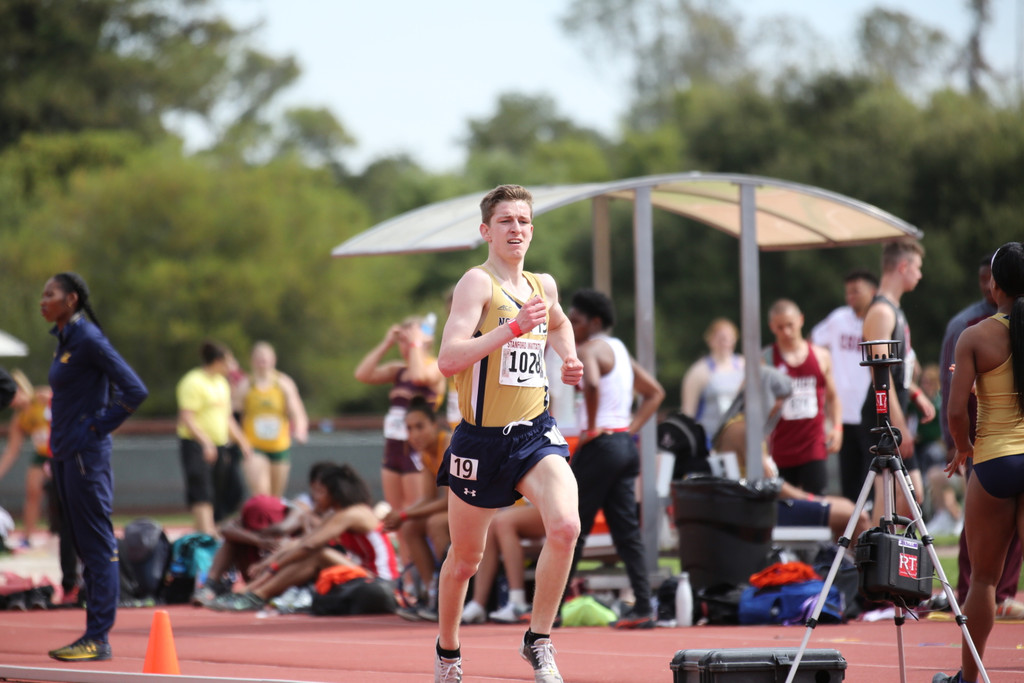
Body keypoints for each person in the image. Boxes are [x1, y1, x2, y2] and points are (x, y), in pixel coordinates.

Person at [433, 184, 583, 683]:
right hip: (481, 441)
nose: (516, 229)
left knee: (565, 527)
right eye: (506, 222)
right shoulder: (476, 284)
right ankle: (448, 652)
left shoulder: (543, 285)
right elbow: (448, 359)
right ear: (486, 231)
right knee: (464, 561)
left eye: (523, 221)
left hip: (535, 435)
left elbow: (558, 324)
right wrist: (512, 330)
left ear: (532, 230)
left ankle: (538, 639)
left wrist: (570, 357)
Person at [40, 272, 148, 662]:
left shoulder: (88, 339)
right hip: (66, 455)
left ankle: (98, 637)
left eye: (49, 294)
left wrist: (95, 427)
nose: (42, 301)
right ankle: (92, 634)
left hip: (86, 456)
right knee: (84, 546)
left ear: (71, 300)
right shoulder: (66, 340)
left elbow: (134, 389)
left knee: (97, 546)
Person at [936, 242, 1024, 683]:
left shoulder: (975, 335)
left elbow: (955, 411)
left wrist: (963, 448)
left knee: (984, 580)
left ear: (994, 284)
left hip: (994, 461)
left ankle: (969, 679)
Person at [564, 288, 665, 629]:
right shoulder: (620, 349)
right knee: (626, 532)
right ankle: (644, 607)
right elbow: (655, 393)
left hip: (601, 445)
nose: (572, 326)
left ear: (594, 322)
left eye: (576, 321)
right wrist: (630, 428)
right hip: (623, 445)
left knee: (570, 525)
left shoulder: (589, 349)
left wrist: (592, 428)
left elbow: (590, 383)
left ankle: (549, 608)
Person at [209, 463, 398, 611]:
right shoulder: (337, 515)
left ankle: (256, 595)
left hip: (381, 581)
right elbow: (301, 542)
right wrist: (268, 564)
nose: (315, 497)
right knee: (310, 553)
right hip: (363, 577)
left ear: (335, 493)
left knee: (318, 554)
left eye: (320, 492)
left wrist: (272, 567)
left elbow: (310, 546)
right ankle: (252, 593)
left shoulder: (353, 513)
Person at [354, 314, 446, 562]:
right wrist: (386, 343)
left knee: (413, 516)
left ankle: (421, 574)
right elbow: (363, 374)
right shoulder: (398, 370)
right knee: (397, 518)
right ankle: (405, 578)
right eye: (402, 340)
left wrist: (417, 342)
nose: (404, 346)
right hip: (394, 449)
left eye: (409, 339)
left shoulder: (434, 365)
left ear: (426, 340)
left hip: (418, 451)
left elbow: (419, 377)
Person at [860, 240, 932, 522]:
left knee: (910, 496)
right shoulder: (882, 312)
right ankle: (875, 559)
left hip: (895, 408)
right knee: (888, 493)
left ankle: (886, 556)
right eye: (918, 267)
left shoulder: (893, 309)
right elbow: (879, 374)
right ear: (903, 266)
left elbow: (898, 368)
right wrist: (898, 421)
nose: (920, 274)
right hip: (883, 414)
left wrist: (914, 393)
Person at [810, 269, 879, 501]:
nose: (850, 296)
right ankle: (853, 532)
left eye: (856, 291)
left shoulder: (880, 318)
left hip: (870, 411)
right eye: (847, 292)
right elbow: (814, 344)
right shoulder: (838, 318)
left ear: (872, 291)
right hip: (844, 412)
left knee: (871, 478)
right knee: (848, 481)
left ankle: (872, 529)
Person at [382, 397, 451, 619]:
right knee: (410, 526)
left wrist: (403, 513)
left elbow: (449, 500)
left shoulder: (448, 444)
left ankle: (447, 596)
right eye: (409, 429)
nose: (414, 434)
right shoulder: (426, 453)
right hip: (456, 509)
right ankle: (431, 593)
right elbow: (428, 497)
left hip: (482, 507)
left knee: (435, 522)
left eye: (420, 427)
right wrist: (403, 515)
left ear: (435, 425)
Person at [766, 299, 842, 496]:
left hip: (813, 445)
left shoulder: (820, 356)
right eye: (780, 327)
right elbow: (752, 406)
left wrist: (837, 427)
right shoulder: (765, 360)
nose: (786, 332)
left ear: (800, 320)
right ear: (772, 327)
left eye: (790, 325)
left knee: (818, 506)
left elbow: (833, 397)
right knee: (783, 511)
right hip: (780, 449)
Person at [177, 340, 254, 536]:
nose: (232, 366)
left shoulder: (222, 383)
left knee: (226, 490)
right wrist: (205, 442)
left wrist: (243, 441)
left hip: (220, 446)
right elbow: (187, 417)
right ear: (218, 361)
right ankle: (207, 534)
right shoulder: (193, 381)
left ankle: (211, 529)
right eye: (229, 361)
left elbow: (227, 418)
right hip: (197, 445)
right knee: (201, 491)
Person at [238, 341, 310, 498]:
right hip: (253, 446)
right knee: (261, 493)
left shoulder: (283, 383)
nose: (262, 361)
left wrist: (300, 430)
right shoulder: (245, 385)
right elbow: (231, 415)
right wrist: (238, 439)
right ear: (252, 361)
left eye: (265, 357)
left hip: (279, 446)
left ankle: (272, 521)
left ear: (273, 360)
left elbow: (297, 412)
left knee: (276, 497)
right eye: (258, 357)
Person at [0, 372, 54, 547]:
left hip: (62, 452)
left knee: (66, 495)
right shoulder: (19, 418)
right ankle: (28, 536)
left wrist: (51, 399)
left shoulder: (43, 398)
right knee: (32, 491)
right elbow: (12, 451)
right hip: (42, 454)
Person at [680, 318, 744, 442]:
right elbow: (688, 413)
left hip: (739, 437)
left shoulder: (745, 366)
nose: (725, 342)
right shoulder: (698, 371)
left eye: (728, 338)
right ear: (710, 340)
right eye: (720, 338)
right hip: (710, 437)